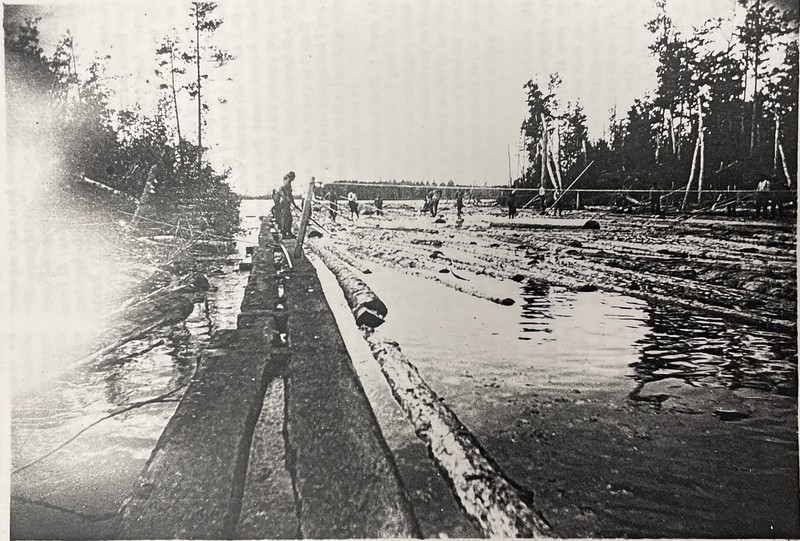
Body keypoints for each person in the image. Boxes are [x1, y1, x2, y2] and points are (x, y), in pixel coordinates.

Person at [277, 171, 301, 237]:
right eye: (293, 177)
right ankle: (284, 233)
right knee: (286, 217)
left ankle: (287, 232)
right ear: (290, 177)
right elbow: (288, 195)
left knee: (288, 218)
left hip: (286, 202)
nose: (293, 179)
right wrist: (293, 203)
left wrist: (294, 204)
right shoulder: (286, 184)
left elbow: (290, 196)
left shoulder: (288, 183)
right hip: (284, 202)